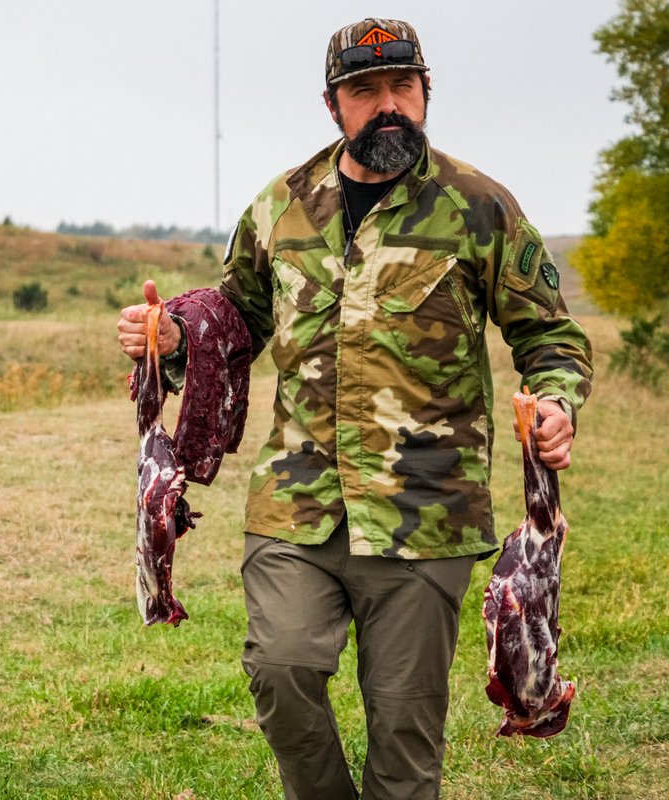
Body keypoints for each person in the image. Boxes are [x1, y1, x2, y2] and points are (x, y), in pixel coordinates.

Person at [116, 17, 593, 800]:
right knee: (281, 670)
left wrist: (557, 404)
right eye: (365, 91)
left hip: (426, 514)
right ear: (333, 105)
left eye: (403, 86)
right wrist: (171, 333)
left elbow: (550, 336)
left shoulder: (479, 208)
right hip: (296, 503)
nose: (388, 106)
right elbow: (238, 316)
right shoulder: (281, 205)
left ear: (426, 90)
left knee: (404, 735)